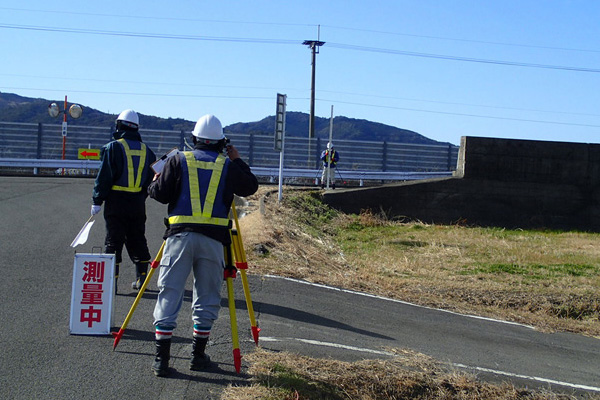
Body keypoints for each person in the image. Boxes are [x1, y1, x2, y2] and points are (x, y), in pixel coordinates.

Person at [147, 114, 258, 377]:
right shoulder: (227, 165)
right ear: (222, 142)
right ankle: (198, 356)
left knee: (169, 293)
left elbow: (160, 194)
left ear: (194, 139)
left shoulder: (177, 159)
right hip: (213, 241)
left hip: (178, 238)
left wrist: (154, 183)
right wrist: (237, 159)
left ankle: (161, 360)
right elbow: (250, 187)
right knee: (207, 297)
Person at [91, 109, 157, 291]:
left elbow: (104, 177)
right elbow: (150, 180)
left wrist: (97, 200)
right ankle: (142, 281)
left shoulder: (112, 147)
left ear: (119, 125)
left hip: (116, 202)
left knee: (113, 241)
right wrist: (140, 197)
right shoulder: (148, 151)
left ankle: (111, 284)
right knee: (138, 239)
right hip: (137, 203)